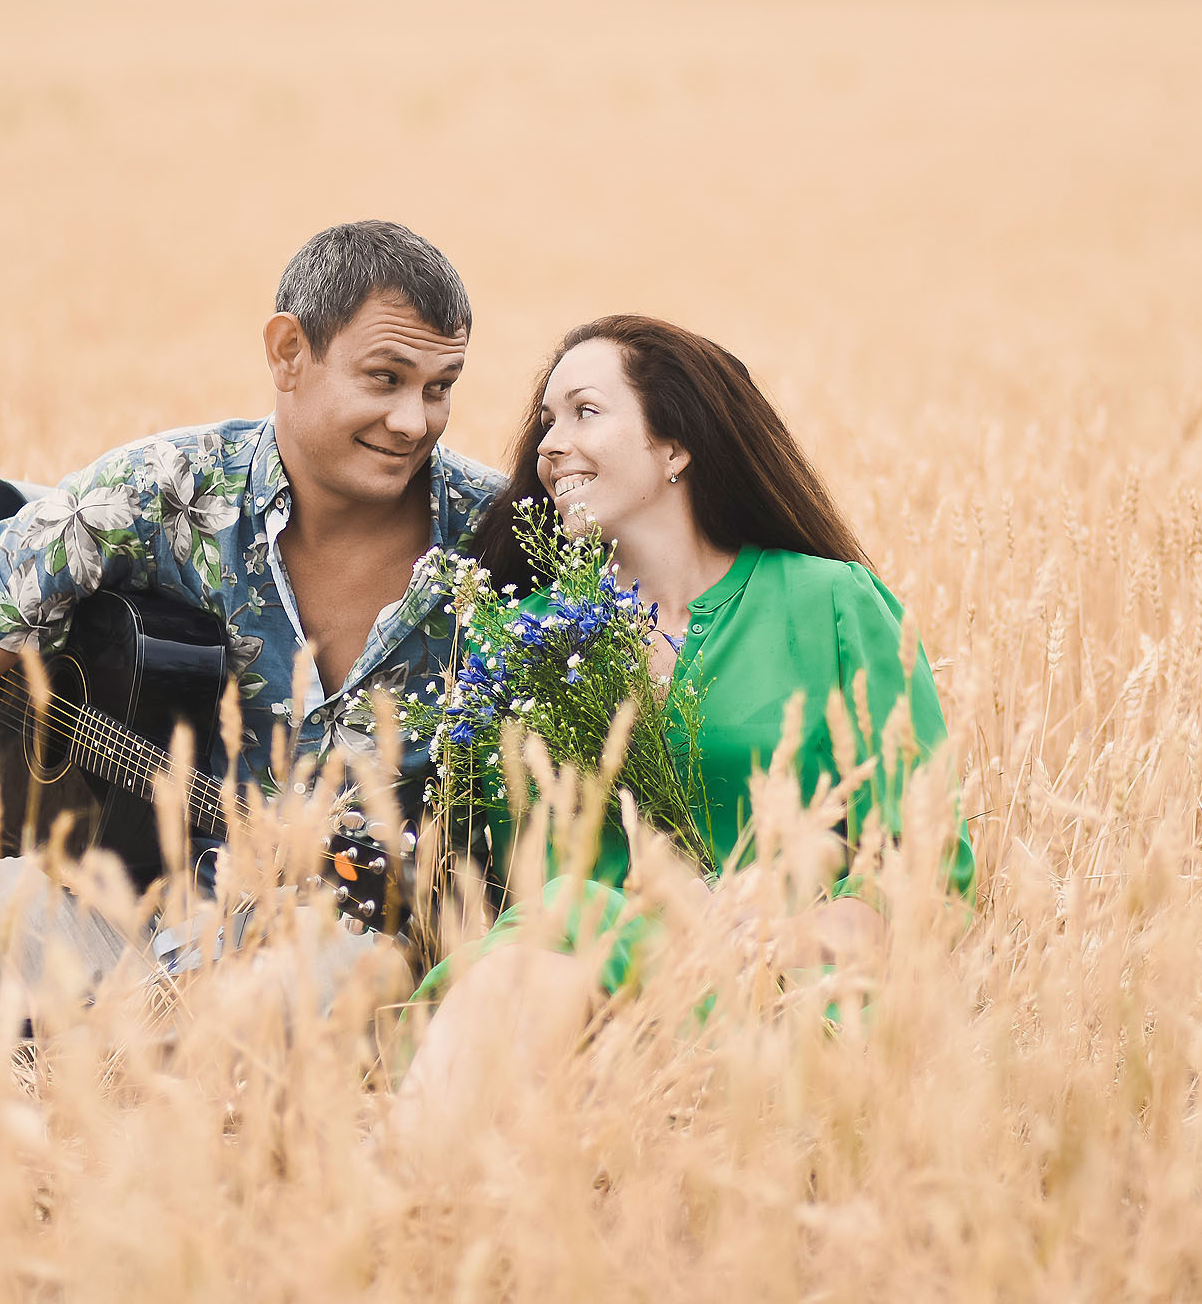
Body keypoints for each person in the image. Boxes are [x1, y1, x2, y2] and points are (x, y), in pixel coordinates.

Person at [0, 220, 503, 992]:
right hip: (106, 912)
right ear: (288, 352)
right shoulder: (165, 488)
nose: (416, 422)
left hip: (338, 963)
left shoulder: (494, 540)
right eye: (385, 378)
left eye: (441, 388)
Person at [398, 315, 970, 1115]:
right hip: (573, 985)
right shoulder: (533, 636)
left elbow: (926, 865)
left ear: (676, 447)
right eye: (545, 421)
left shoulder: (829, 603)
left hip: (771, 991)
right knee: (538, 956)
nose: (549, 445)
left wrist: (776, 938)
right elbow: (515, 873)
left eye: (584, 411)